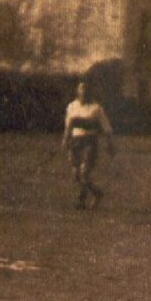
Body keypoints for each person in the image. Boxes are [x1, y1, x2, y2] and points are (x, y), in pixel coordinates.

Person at [60, 81, 117, 210]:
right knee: (76, 174)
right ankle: (96, 193)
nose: (83, 91)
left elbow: (106, 127)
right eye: (81, 88)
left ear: (90, 91)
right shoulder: (72, 106)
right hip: (75, 141)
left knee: (84, 172)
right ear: (77, 91)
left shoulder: (96, 108)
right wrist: (65, 139)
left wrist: (110, 143)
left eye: (86, 89)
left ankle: (81, 200)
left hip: (90, 141)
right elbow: (68, 124)